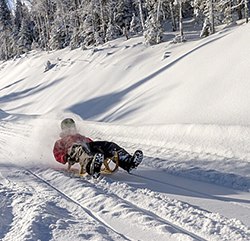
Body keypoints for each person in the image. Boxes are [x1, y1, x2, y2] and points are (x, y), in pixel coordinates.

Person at [53, 118, 143, 178]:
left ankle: (128, 162)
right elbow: (57, 154)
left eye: (72, 126)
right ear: (63, 129)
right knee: (80, 149)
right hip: (73, 151)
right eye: (68, 127)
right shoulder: (60, 142)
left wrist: (100, 149)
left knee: (108, 145)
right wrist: (65, 158)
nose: (70, 129)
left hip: (87, 147)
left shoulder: (81, 137)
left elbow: (91, 143)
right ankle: (91, 167)